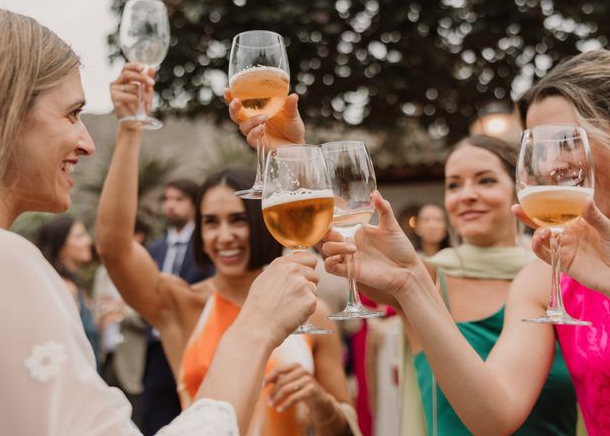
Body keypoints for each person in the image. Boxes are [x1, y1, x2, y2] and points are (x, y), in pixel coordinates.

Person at [0, 2, 319, 435]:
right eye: (72, 113)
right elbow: (115, 248)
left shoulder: (298, 301)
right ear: (5, 112)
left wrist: (289, 158)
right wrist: (255, 329)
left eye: (238, 219)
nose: (86, 142)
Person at [229, 85, 578, 434]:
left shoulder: (566, 274)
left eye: (485, 181)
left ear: (521, 186)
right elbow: (339, 230)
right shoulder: (426, 276)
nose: (467, 195)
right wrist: (292, 155)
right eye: (454, 185)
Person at [321, 50, 610, 435]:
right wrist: (411, 282)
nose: (551, 165)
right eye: (538, 148)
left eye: (565, 142)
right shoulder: (545, 276)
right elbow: (495, 416)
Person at [98, 67, 360, 434]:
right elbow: (114, 248)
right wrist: (130, 127)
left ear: (264, 219)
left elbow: (350, 428)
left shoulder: (311, 311)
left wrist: (319, 401)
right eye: (210, 222)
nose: (224, 236)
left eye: (237, 220)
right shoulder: (181, 304)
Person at [143, 179, 212, 434]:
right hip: (156, 350)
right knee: (155, 420)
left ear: (194, 205)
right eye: (166, 200)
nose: (170, 206)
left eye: (178, 200)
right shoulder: (154, 249)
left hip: (197, 344)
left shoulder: (208, 244)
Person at [93, 217, 152, 425]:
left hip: (133, 360)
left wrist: (120, 310)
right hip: (106, 355)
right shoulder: (102, 271)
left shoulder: (145, 270)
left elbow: (147, 316)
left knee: (133, 421)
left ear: (138, 236)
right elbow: (98, 312)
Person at [36, 215, 100, 366]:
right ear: (60, 246)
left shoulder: (73, 285)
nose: (88, 241)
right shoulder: (64, 288)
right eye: (79, 236)